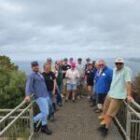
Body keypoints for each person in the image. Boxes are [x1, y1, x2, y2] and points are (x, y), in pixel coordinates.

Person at [98, 58, 133, 137]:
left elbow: (128, 83)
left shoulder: (126, 71)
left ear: (123, 64)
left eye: (120, 63)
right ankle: (103, 125)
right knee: (104, 110)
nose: (118, 65)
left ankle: (105, 129)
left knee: (109, 114)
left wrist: (129, 95)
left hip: (118, 96)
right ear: (115, 64)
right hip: (110, 94)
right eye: (117, 63)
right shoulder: (114, 70)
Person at [24, 61, 52, 135]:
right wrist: (27, 95)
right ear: (32, 67)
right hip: (39, 97)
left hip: (45, 95)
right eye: (34, 66)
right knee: (46, 112)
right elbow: (28, 86)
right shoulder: (31, 75)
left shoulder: (39, 73)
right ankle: (32, 121)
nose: (36, 66)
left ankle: (44, 126)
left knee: (44, 112)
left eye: (36, 65)